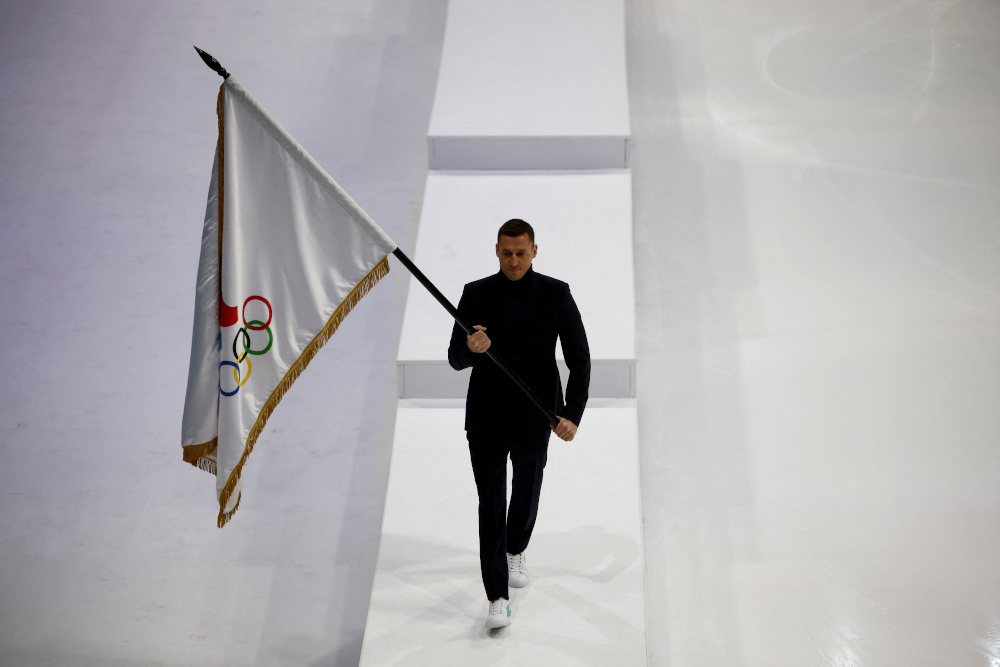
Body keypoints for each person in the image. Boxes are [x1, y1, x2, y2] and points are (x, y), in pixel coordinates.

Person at [448, 218, 591, 630]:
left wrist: (572, 413)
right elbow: (455, 357)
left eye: (521, 253)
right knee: (491, 502)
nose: (514, 261)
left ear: (534, 251)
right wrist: (471, 348)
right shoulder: (475, 293)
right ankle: (496, 596)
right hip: (486, 417)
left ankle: (516, 548)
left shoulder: (556, 293)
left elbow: (579, 358)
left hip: (536, 415)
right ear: (497, 250)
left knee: (527, 489)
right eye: (507, 253)